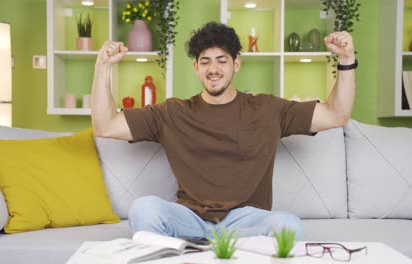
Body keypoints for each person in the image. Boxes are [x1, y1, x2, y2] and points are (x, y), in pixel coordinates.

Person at [91, 22, 356, 240]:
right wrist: (102, 67)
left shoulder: (267, 109)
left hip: (245, 223)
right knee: (144, 209)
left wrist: (345, 61)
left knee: (289, 226)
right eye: (205, 62)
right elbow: (105, 125)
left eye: (221, 60)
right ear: (196, 67)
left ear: (236, 64)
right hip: (190, 221)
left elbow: (337, 114)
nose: (213, 69)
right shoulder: (172, 113)